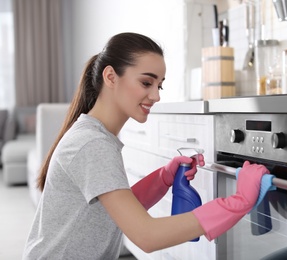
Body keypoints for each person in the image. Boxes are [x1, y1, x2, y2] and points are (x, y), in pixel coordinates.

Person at [23, 32, 269, 259]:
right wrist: (239, 201)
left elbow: (115, 212)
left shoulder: (97, 136)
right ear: (110, 77)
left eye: (159, 85)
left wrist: (163, 178)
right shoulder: (92, 143)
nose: (156, 95)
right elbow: (147, 236)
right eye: (146, 83)